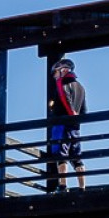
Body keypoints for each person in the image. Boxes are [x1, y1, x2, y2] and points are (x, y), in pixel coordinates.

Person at [45, 57, 86, 190]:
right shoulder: (81, 87)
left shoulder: (61, 83)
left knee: (61, 153)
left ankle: (62, 185)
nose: (54, 76)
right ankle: (82, 187)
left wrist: (70, 113)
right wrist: (76, 118)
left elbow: (64, 97)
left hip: (63, 123)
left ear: (63, 70)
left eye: (55, 72)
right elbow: (84, 111)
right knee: (76, 156)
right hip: (75, 127)